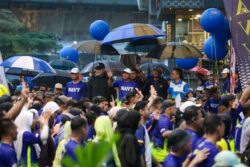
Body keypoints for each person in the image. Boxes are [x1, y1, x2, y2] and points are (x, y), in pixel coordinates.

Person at [134, 101, 152, 167]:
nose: (150, 112)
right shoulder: (139, 128)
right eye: (148, 109)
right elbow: (140, 151)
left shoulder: (143, 126)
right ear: (141, 111)